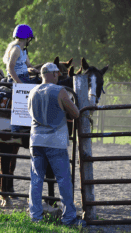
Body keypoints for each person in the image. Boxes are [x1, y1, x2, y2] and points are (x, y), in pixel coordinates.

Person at [27, 62, 86, 227]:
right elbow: (75, 113)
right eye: (58, 74)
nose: (59, 77)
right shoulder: (60, 91)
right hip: (55, 141)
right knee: (63, 179)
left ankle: (36, 217)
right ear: (53, 74)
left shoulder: (32, 91)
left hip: (36, 140)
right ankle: (69, 219)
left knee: (36, 179)